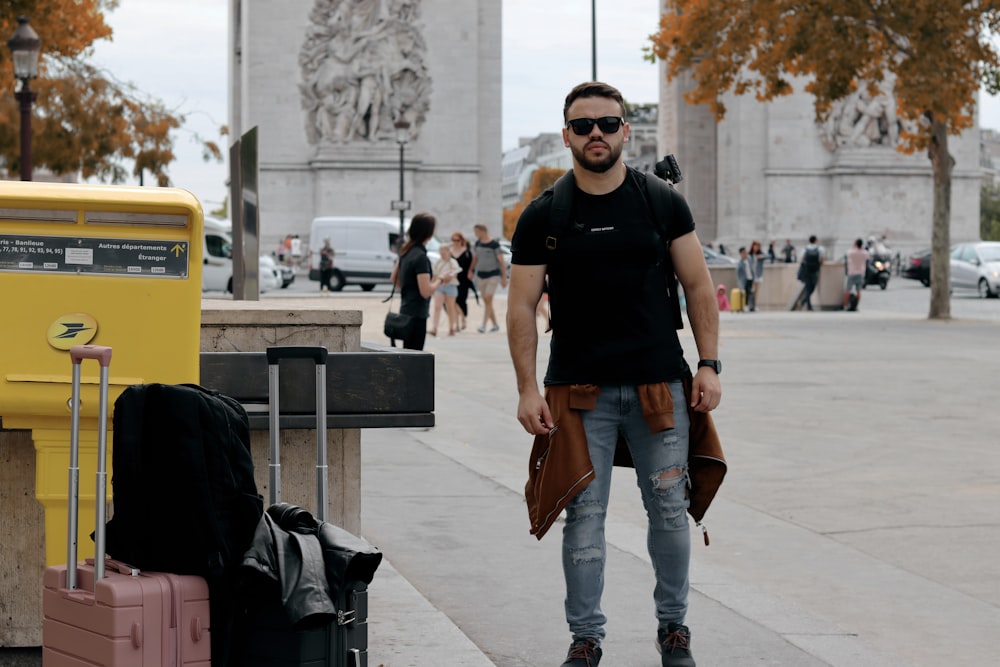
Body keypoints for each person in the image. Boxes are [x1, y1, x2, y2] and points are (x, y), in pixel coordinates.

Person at [507, 81, 722, 667]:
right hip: (578, 391)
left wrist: (708, 363)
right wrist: (527, 388)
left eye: (607, 123)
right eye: (583, 126)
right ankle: (586, 639)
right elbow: (520, 306)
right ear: (566, 135)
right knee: (584, 514)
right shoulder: (543, 215)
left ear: (626, 130)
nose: (596, 134)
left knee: (670, 511)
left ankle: (673, 630)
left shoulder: (661, 202)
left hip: (660, 385)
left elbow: (700, 286)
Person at [388, 212, 451, 350]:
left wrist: (409, 289)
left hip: (405, 309)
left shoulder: (406, 252)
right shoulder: (421, 257)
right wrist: (441, 279)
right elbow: (426, 292)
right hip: (417, 314)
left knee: (407, 355)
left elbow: (394, 279)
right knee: (415, 357)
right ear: (429, 232)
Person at [469, 223, 507, 333]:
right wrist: (470, 270)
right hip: (480, 275)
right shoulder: (478, 243)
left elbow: (502, 262)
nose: (475, 234)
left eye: (476, 231)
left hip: (493, 275)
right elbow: (476, 258)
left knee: (488, 298)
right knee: (487, 302)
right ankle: (495, 324)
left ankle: (483, 325)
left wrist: (504, 278)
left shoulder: (494, 244)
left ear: (482, 231)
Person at [428, 244, 461, 336]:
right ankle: (435, 328)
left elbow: (456, 273)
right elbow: (434, 275)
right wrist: (432, 286)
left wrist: (449, 276)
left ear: (448, 252)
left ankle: (451, 328)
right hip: (440, 285)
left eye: (444, 253)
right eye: (441, 253)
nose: (442, 255)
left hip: (451, 286)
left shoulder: (452, 262)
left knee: (450, 308)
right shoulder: (438, 262)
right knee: (437, 307)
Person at [449, 231, 474, 331]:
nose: (455, 242)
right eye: (453, 240)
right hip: (452, 280)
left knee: (461, 300)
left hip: (463, 280)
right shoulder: (449, 251)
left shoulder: (467, 252)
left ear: (461, 240)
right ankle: (457, 323)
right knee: (453, 302)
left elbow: (471, 266)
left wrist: (471, 273)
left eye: (457, 240)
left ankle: (463, 318)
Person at [798, 235, 824, 311]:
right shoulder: (820, 249)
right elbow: (822, 260)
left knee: (807, 287)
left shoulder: (805, 249)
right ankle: (807, 304)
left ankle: (805, 302)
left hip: (806, 270)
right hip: (815, 270)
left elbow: (802, 259)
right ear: (816, 240)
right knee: (812, 287)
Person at [843, 237, 869, 310]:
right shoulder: (864, 253)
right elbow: (868, 258)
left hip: (852, 272)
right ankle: (856, 306)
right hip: (860, 273)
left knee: (847, 290)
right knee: (859, 291)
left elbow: (847, 254)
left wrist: (854, 247)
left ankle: (845, 305)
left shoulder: (852, 252)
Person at [748, 240, 765, 312]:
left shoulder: (760, 254)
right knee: (750, 291)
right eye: (755, 246)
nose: (756, 248)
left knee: (756, 291)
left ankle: (755, 305)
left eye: (758, 246)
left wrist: (761, 256)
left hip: (758, 275)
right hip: (751, 275)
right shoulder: (750, 255)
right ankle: (750, 305)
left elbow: (769, 256)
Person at [736, 246, 752, 313]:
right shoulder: (740, 263)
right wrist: (740, 283)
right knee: (744, 294)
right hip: (743, 280)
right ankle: (744, 306)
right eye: (743, 252)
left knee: (749, 293)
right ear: (741, 254)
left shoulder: (749, 259)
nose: (745, 254)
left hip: (750, 278)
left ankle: (750, 306)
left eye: (745, 252)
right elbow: (738, 274)